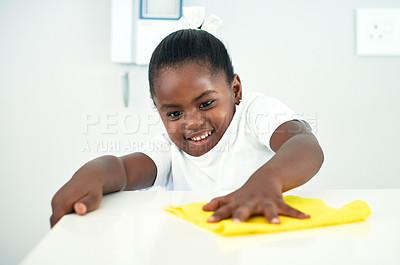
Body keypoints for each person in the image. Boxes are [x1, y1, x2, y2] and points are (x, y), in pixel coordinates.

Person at [50, 29, 324, 228]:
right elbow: (122, 170)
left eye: (206, 103)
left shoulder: (254, 113)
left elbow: (304, 145)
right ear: (159, 111)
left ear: (235, 90)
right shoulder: (169, 150)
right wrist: (93, 174)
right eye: (174, 113)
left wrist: (269, 180)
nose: (192, 122)